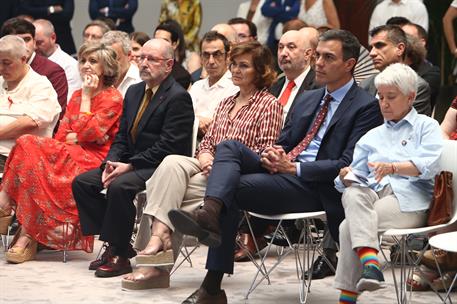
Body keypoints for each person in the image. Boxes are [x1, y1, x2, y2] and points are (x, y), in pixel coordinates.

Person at [169, 29, 384, 303]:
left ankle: (211, 283)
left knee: (231, 188)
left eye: (328, 57)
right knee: (228, 146)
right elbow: (284, 141)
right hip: (282, 171)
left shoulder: (366, 107)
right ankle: (210, 212)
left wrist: (294, 168)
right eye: (317, 55)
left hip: (315, 186)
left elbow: (347, 164)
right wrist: (273, 153)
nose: (318, 62)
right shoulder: (310, 98)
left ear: (349, 65)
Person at [122, 41, 283, 290]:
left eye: (244, 66)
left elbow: (263, 153)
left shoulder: (269, 105)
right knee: (171, 163)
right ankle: (158, 239)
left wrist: (221, 163)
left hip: (234, 176)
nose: (236, 70)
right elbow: (207, 143)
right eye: (234, 65)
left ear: (260, 71)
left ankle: (155, 260)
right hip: (207, 167)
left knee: (166, 191)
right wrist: (206, 156)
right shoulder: (226, 103)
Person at [72, 38, 194, 278]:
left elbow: (169, 146)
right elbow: (121, 136)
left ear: (169, 65)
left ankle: (118, 254)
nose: (144, 63)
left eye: (152, 59)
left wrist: (129, 166)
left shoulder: (177, 97)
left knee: (120, 187)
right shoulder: (135, 91)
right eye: (141, 58)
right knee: (83, 183)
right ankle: (119, 244)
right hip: (130, 161)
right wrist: (111, 162)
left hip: (160, 166)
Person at [0, 42, 123, 264]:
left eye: (93, 61)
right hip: (69, 151)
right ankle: (25, 233)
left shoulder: (112, 97)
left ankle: (7, 209)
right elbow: (63, 134)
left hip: (95, 160)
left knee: (27, 143)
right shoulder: (75, 95)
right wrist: (79, 134)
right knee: (27, 146)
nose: (86, 66)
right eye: (83, 60)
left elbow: (88, 132)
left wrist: (86, 99)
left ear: (106, 67)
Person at [333, 63, 443, 303]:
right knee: (352, 194)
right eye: (380, 97)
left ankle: (353, 289)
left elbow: (430, 166)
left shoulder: (427, 126)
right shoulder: (372, 136)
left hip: (409, 200)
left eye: (391, 97)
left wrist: (394, 167)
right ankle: (370, 264)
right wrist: (344, 176)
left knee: (346, 228)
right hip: (373, 195)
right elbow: (354, 178)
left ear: (411, 97)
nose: (384, 103)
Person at [234, 27, 320, 262]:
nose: (283, 53)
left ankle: (250, 232)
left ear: (309, 54)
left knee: (238, 166)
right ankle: (236, 229)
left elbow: (308, 134)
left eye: (291, 47)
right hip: (265, 148)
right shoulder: (275, 85)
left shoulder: (317, 87)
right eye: (281, 47)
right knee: (231, 152)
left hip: (293, 159)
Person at [0, 35, 60, 174]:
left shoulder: (40, 85)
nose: (1, 68)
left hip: (16, 156)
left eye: (6, 63)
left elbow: (31, 122)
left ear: (23, 59)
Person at [1, 17, 68, 119]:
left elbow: (57, 117)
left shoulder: (52, 71)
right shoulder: (1, 69)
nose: (23, 45)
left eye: (27, 39)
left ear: (35, 43)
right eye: (16, 41)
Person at [361, 25, 432, 116]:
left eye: (380, 45)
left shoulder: (417, 86)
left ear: (400, 49)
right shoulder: (365, 84)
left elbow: (409, 127)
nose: (372, 53)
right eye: (371, 47)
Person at [188, 31, 239, 138]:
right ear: (201, 58)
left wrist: (194, 119)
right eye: (206, 55)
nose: (211, 61)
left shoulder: (236, 87)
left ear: (228, 57)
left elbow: (223, 125)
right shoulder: (197, 86)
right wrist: (198, 121)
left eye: (217, 54)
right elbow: (182, 117)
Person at [33, 19, 82, 101]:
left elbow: (70, 103)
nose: (34, 47)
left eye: (39, 43)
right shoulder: (27, 62)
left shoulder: (70, 66)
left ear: (53, 38)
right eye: (33, 42)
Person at [100, 30, 141, 96]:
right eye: (106, 59)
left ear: (129, 55)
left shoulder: (140, 80)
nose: (109, 64)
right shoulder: (97, 79)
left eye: (115, 59)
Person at [153, 21, 192, 90]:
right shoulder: (145, 66)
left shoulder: (181, 76)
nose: (159, 44)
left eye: (164, 41)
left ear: (174, 45)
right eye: (156, 40)